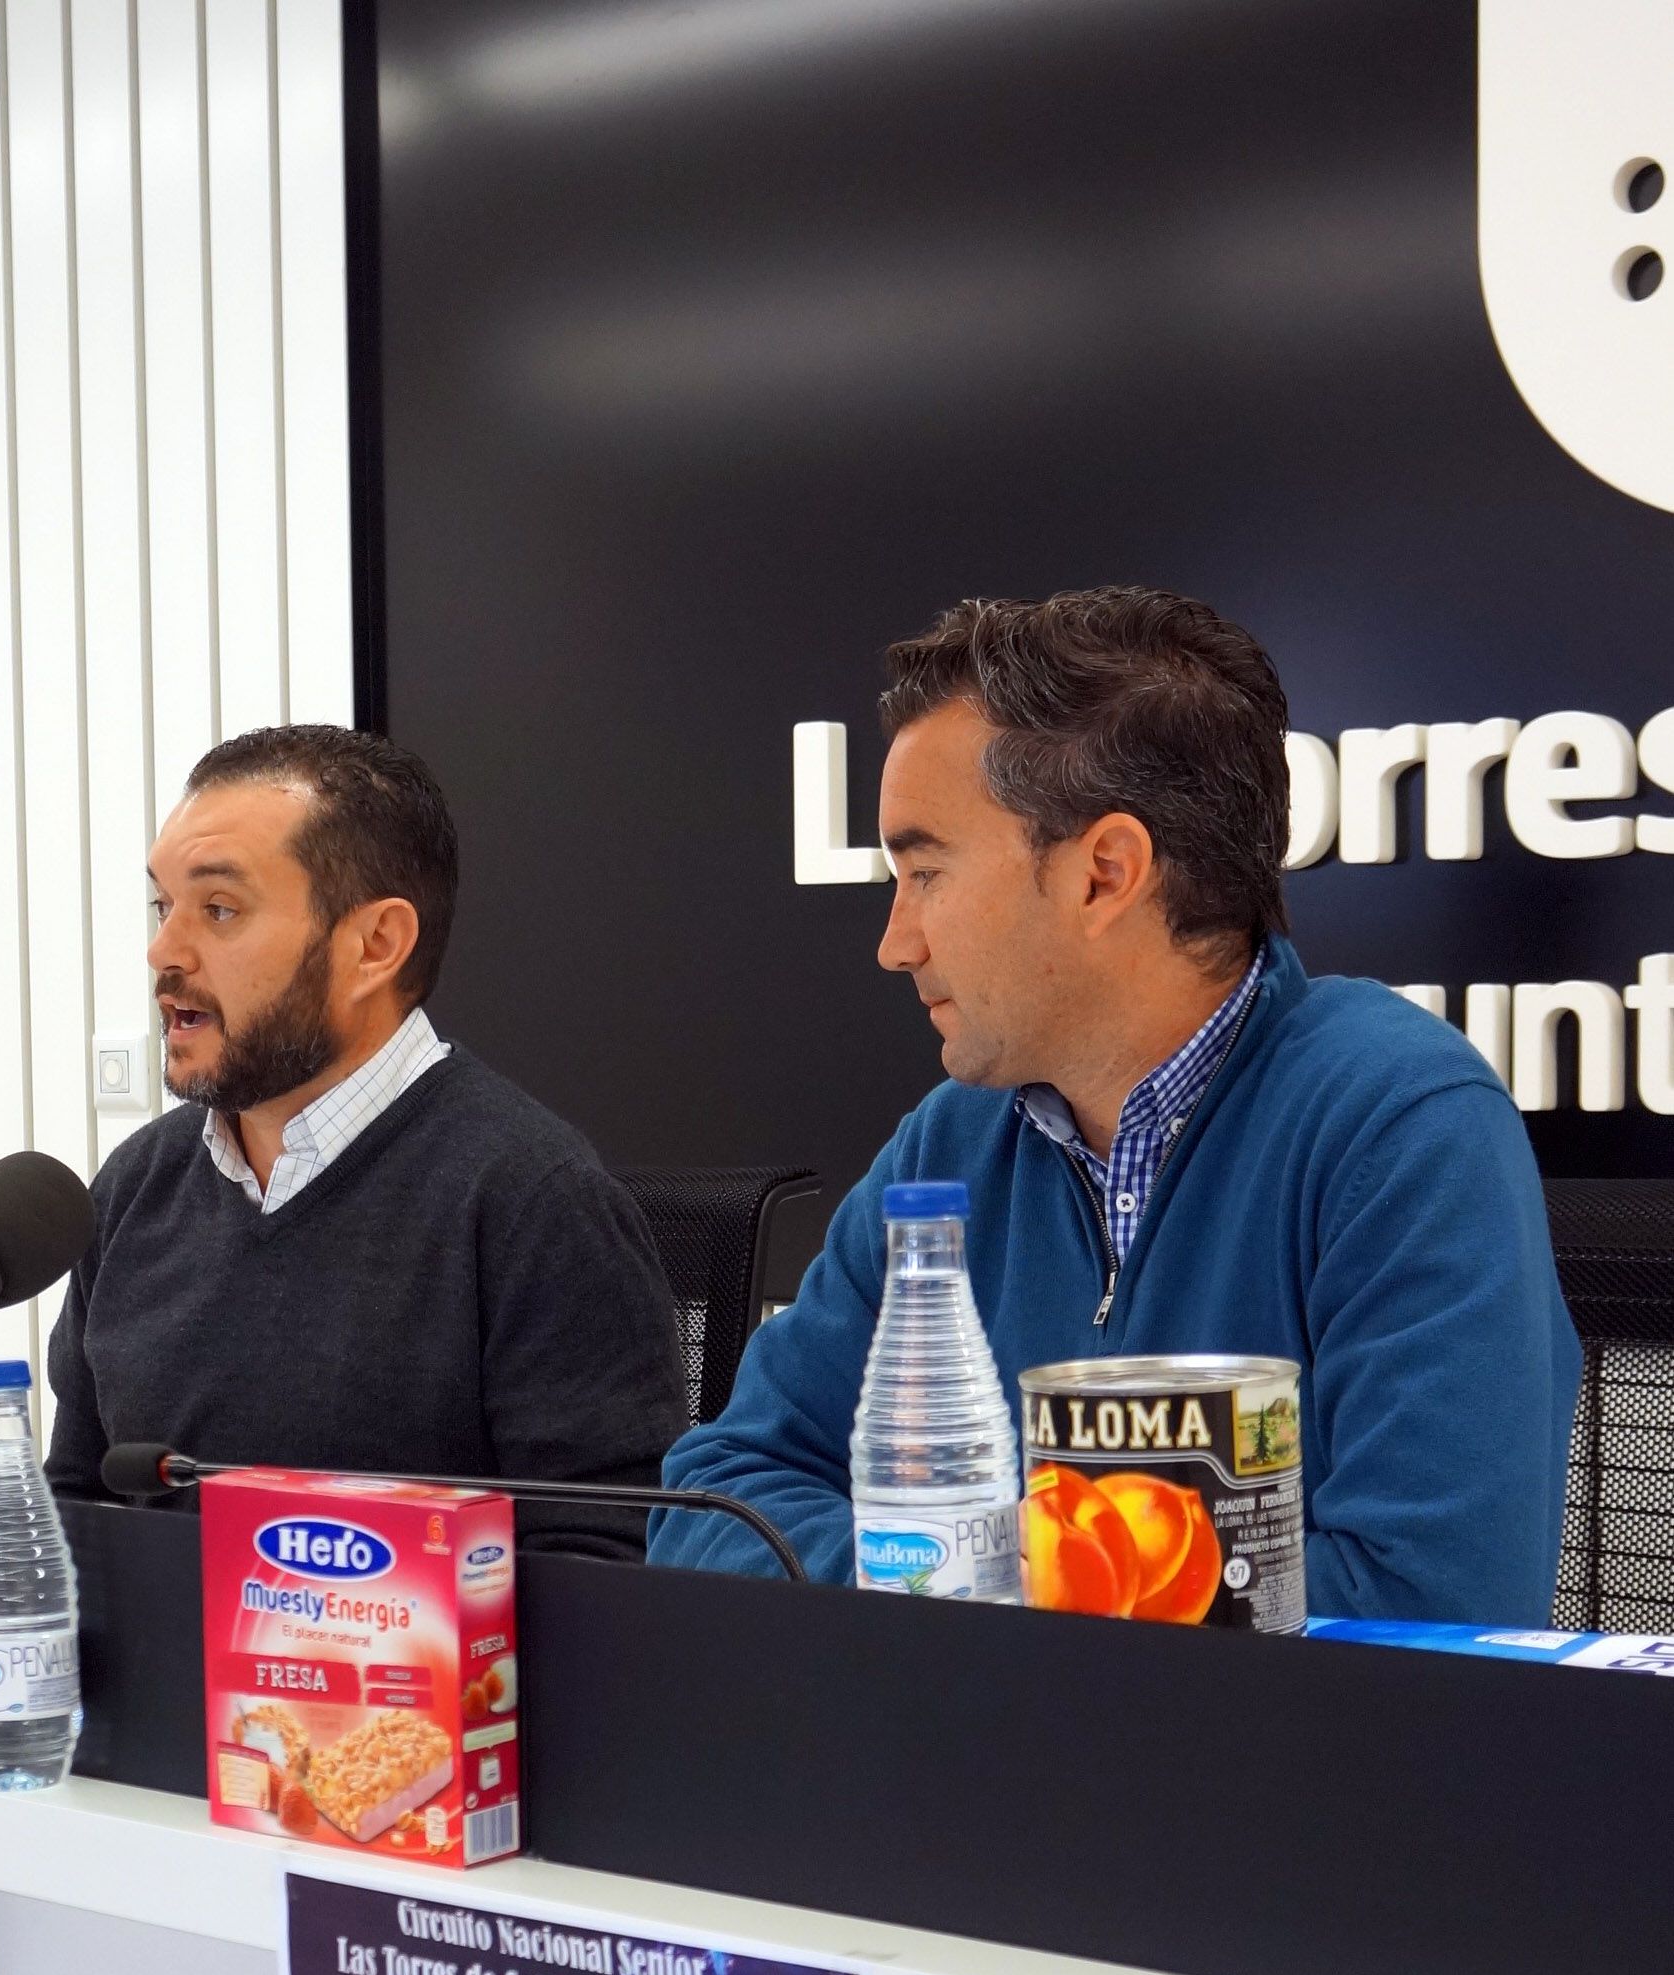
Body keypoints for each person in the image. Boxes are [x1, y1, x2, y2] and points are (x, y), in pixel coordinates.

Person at [651, 589, 1578, 1621]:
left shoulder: (1400, 1124)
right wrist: (993, 1581)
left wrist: (968, 1578)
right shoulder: (946, 1149)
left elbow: (1436, 1600)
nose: (896, 942)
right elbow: (715, 1504)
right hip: (970, 1764)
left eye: (925, 873)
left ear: (1103, 873)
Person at [46, 725, 684, 1553]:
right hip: (165, 1681)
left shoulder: (535, 1201)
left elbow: (611, 1566)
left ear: (374, 946)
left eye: (220, 908)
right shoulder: (134, 1189)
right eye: (164, 906)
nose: (163, 951)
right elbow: (77, 1509)